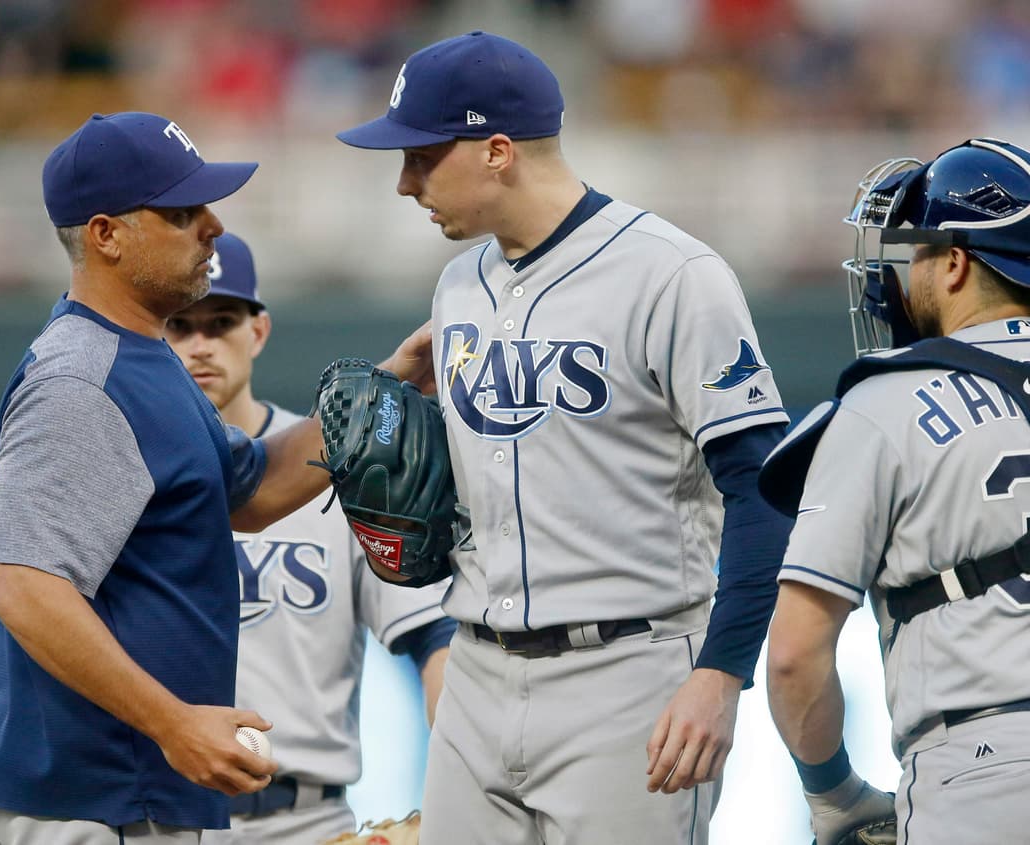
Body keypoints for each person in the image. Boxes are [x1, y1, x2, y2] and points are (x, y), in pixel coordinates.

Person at [336, 31, 794, 845]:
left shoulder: (672, 274)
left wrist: (722, 673)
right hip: (476, 672)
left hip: (629, 671)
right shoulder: (458, 285)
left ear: (498, 151)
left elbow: (760, 489)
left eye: (420, 157)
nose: (404, 183)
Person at [0, 112, 433, 844]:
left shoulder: (146, 359)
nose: (212, 225)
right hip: (85, 797)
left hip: (126, 789)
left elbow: (255, 489)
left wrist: (384, 387)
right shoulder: (82, 379)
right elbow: (22, 586)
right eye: (180, 212)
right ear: (105, 234)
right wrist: (172, 722)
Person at [762, 138, 1030, 844]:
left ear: (956, 262)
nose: (903, 273)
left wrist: (833, 793)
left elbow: (794, 652)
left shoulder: (887, 400)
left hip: (982, 773)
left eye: (916, 251)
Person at [165, 231, 456, 844]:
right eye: (180, 325)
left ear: (259, 331)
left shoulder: (336, 467)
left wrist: (461, 793)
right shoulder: (120, 474)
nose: (200, 344)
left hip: (306, 820)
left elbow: (435, 639)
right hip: (158, 818)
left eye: (221, 322)